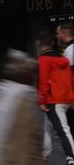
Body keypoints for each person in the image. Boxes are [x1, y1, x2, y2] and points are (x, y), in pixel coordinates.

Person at [37, 32, 74, 164]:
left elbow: (43, 81)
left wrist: (42, 100)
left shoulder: (43, 60)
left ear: (39, 43)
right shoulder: (63, 58)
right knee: (47, 125)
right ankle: (44, 154)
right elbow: (71, 78)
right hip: (66, 98)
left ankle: (72, 157)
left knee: (63, 130)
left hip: (54, 100)